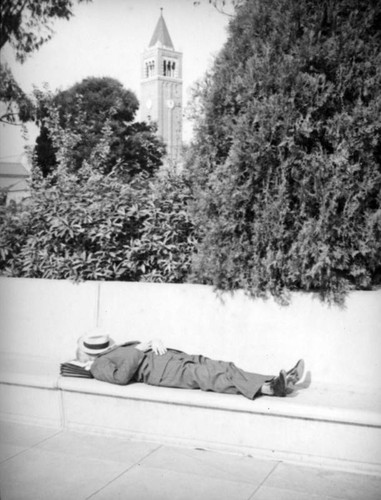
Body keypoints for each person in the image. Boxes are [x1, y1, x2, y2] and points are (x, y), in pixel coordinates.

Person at [76, 333, 305, 399]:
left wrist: (152, 341)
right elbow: (121, 377)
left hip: (175, 359)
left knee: (224, 366)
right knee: (211, 376)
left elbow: (140, 351)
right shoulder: (99, 365)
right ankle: (269, 389)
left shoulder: (119, 348)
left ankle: (277, 380)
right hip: (164, 372)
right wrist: (139, 350)